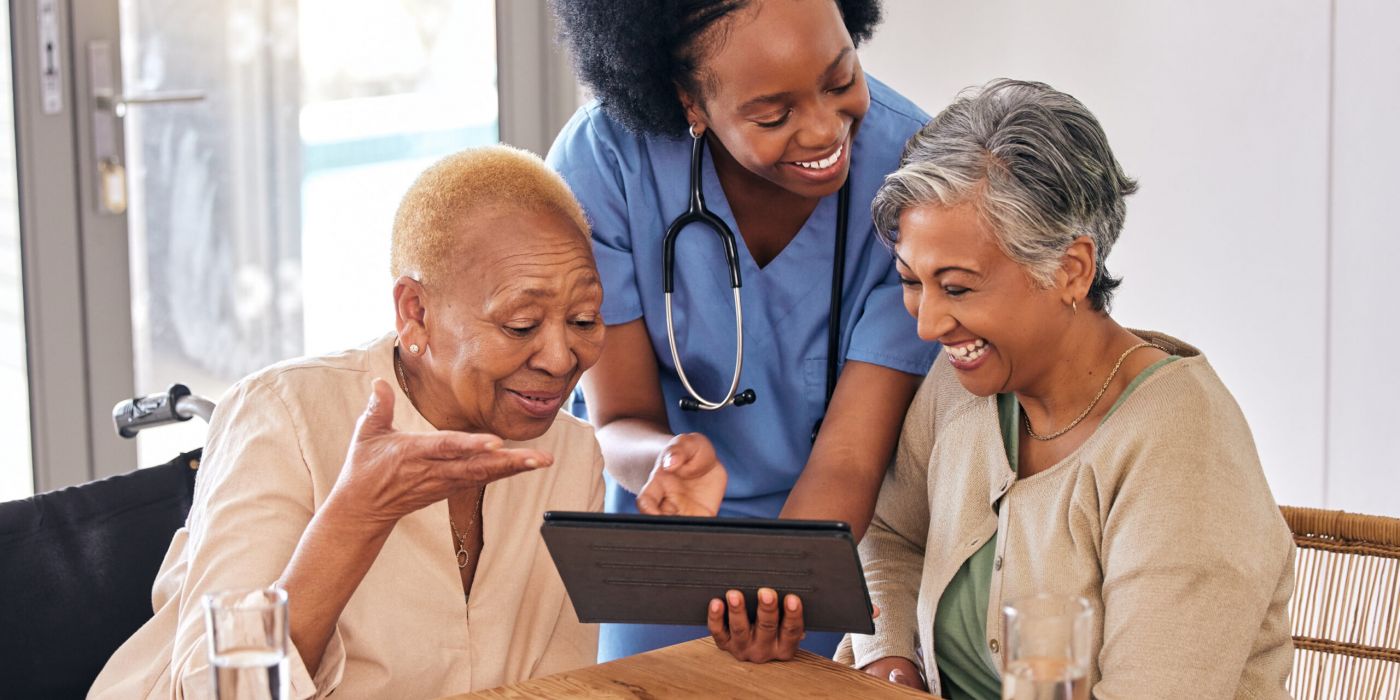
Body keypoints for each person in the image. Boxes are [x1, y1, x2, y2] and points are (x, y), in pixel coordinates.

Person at [89, 146, 723, 699]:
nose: (561, 359)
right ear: (415, 312)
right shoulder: (282, 415)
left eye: (585, 320)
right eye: (520, 325)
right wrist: (355, 519)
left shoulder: (568, 451)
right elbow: (220, 691)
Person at [837, 79, 1295, 697]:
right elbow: (890, 536)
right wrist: (890, 663)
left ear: (1071, 268)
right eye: (911, 280)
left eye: (959, 287)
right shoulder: (963, 384)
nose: (926, 324)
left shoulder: (1182, 448)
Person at [546, 0, 941, 661]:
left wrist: (778, 595)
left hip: (830, 538)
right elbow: (620, 422)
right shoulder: (604, 163)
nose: (823, 130)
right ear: (689, 102)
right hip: (666, 542)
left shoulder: (912, 177)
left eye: (842, 79)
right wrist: (662, 462)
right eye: (773, 115)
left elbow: (850, 458)